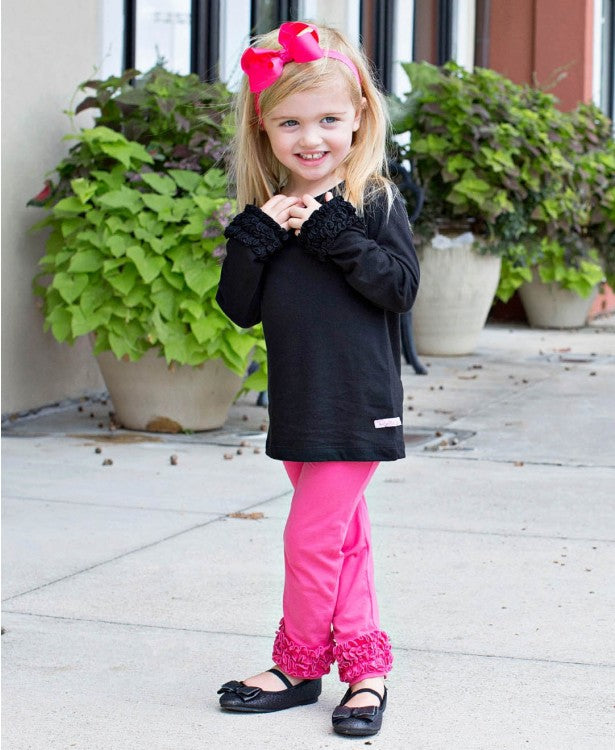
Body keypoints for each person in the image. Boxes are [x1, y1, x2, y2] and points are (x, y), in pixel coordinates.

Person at [215, 21, 419, 738]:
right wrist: (257, 239)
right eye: (291, 123)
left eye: (329, 119)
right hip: (300, 406)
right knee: (343, 540)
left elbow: (398, 288)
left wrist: (335, 237)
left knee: (310, 540)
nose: (311, 138)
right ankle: (365, 669)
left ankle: (299, 662)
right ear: (263, 128)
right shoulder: (264, 218)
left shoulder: (372, 204)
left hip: (357, 408)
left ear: (359, 114)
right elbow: (237, 309)